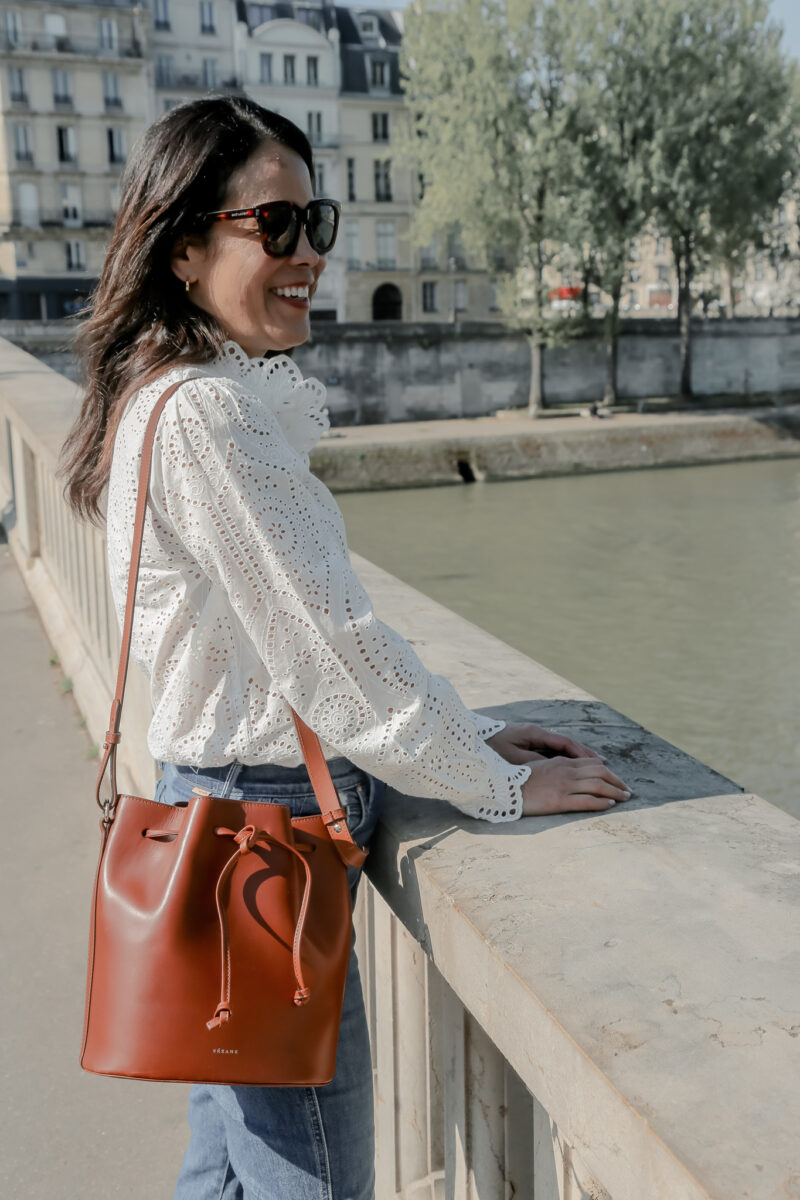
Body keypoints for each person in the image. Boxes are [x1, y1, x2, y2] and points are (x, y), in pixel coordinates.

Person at [61, 97, 630, 1200]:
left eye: (313, 219)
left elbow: (290, 632)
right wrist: (492, 780)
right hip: (263, 838)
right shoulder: (205, 418)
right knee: (312, 1178)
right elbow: (329, 652)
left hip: (214, 814)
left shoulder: (162, 394)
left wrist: (463, 726)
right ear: (184, 246)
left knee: (228, 1156)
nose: (309, 253)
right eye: (273, 225)